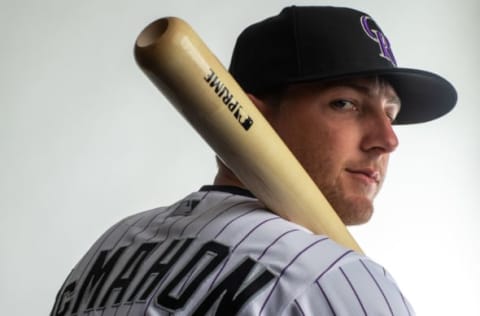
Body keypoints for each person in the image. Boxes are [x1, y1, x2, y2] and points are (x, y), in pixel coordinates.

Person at [50, 6, 456, 316]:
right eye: (345, 103)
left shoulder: (111, 247)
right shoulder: (334, 276)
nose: (388, 139)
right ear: (250, 114)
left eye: (391, 113)